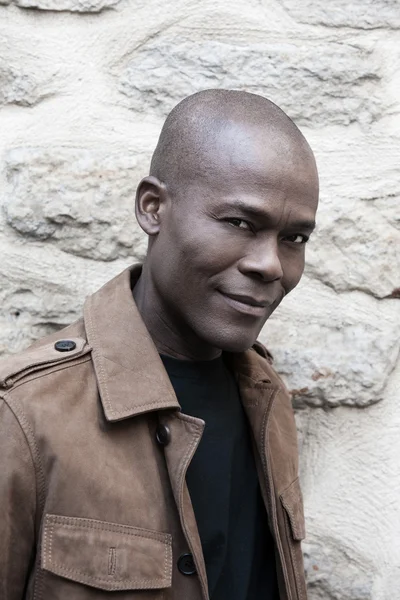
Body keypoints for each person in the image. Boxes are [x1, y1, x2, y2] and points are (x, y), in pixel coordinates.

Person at [0, 89, 319, 600]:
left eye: (294, 239)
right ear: (153, 208)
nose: (271, 265)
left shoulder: (267, 396)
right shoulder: (23, 417)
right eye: (240, 223)